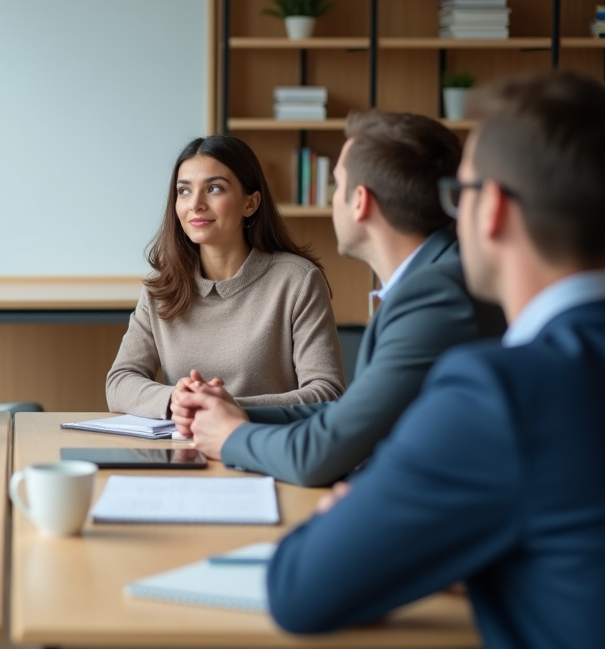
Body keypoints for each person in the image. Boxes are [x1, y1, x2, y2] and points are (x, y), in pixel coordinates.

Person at [266, 72, 605, 646]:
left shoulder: (501, 394)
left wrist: (350, 520)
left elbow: (300, 588)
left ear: (491, 208)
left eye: (461, 194)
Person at [183, 111, 505, 486]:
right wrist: (230, 411)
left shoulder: (435, 295)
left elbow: (319, 455)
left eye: (337, 187)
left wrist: (231, 437)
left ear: (360, 202)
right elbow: (345, 416)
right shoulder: (435, 279)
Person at [105, 136, 344, 418]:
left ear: (251, 204)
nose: (196, 204)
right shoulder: (161, 286)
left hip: (265, 450)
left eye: (214, 188)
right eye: (184, 191)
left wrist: (227, 408)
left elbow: (327, 392)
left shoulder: (298, 281)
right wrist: (175, 400)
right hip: (184, 452)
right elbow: (119, 382)